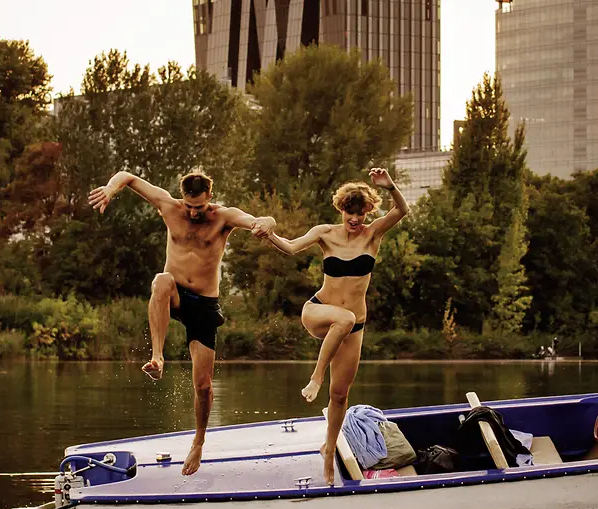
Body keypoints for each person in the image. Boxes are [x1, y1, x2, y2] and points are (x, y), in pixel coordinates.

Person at [88, 168, 274, 475]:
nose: (193, 212)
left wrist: (267, 222)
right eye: (189, 206)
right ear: (182, 197)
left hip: (204, 305)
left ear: (209, 197)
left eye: (199, 207)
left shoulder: (223, 217)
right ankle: (157, 358)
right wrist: (110, 189)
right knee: (161, 281)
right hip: (174, 295)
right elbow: (128, 177)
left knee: (204, 386)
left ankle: (198, 442)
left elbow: (255, 220)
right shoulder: (169, 207)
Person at [254, 168, 406, 485]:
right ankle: (315, 376)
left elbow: (402, 210)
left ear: (367, 212)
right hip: (319, 312)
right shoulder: (325, 233)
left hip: (354, 328)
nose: (355, 220)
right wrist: (270, 236)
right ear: (341, 209)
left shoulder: (372, 235)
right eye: (350, 213)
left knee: (339, 395)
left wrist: (390, 185)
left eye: (361, 214)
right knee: (343, 317)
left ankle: (328, 451)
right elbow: (291, 247)